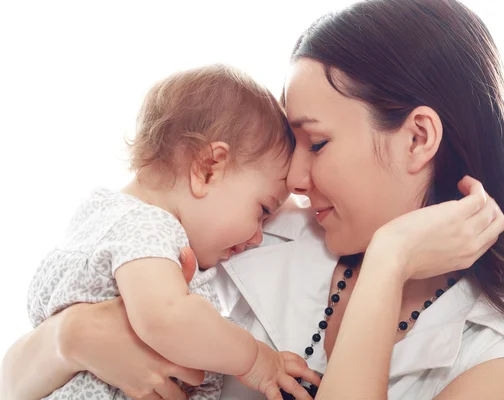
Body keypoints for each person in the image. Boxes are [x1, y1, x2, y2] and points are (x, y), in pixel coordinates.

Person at [2, 0, 504, 399]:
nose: (295, 175)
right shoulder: (246, 237)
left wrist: (389, 263)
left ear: (418, 137)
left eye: (316, 141)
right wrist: (70, 336)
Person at [20, 64, 320, 400]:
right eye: (263, 211)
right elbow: (167, 318)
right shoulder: (146, 228)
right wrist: (256, 359)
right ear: (208, 169)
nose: (258, 237)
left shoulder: (101, 220)